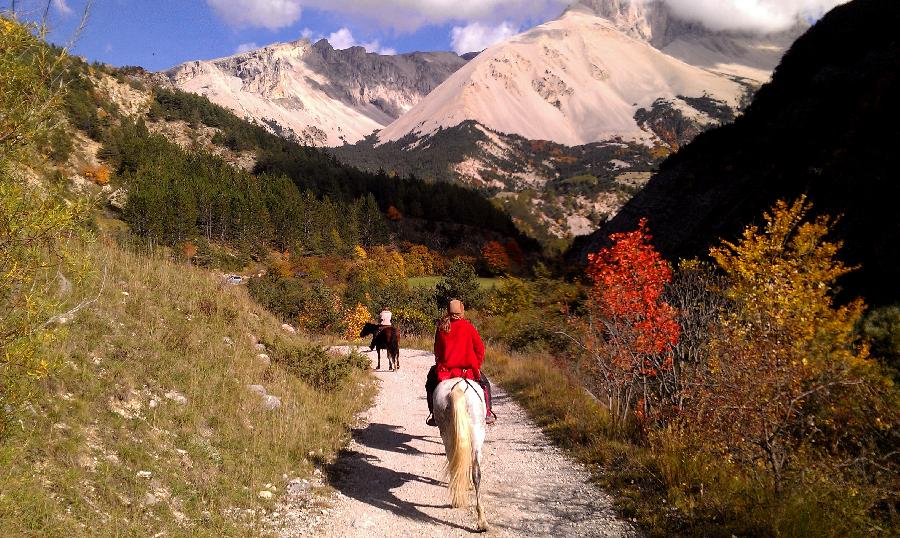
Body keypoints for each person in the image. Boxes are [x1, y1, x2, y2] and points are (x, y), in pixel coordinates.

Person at [425, 299, 496, 426]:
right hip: (467, 372)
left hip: (446, 373)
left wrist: (441, 362)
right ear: (462, 311)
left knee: (430, 383)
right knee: (485, 385)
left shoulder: (442, 328)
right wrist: (476, 365)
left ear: (448, 311)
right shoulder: (469, 327)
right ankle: (488, 413)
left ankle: (434, 415)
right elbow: (480, 349)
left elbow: (438, 352)